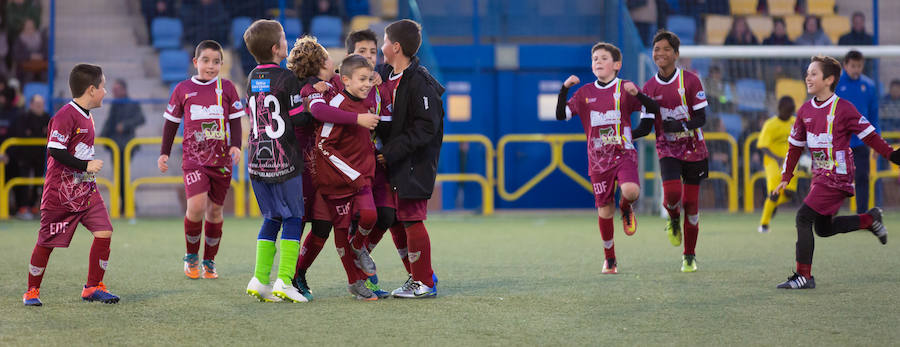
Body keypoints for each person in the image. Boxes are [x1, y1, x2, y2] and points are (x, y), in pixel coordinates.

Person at [773, 55, 900, 289]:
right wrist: (785, 177)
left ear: (829, 79)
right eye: (807, 73)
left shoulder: (844, 108)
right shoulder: (804, 111)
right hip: (820, 176)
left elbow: (869, 135)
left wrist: (891, 154)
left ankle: (804, 276)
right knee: (823, 228)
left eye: (813, 73)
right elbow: (794, 147)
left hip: (838, 176)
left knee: (803, 217)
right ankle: (870, 219)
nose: (807, 77)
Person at [286, 35, 380, 300]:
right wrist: (357, 119)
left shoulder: (336, 83)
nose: (332, 60)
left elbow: (358, 81)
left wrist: (374, 80)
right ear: (319, 63)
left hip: (328, 167)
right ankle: (292, 276)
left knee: (328, 226)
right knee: (310, 224)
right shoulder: (310, 89)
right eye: (327, 57)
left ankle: (349, 279)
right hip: (310, 167)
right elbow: (320, 113)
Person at [556, 42, 660, 274]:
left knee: (631, 191)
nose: (598, 62)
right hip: (597, 159)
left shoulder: (626, 88)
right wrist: (564, 88)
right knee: (604, 209)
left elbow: (652, 109)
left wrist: (639, 98)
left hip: (623, 153)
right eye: (594, 59)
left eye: (603, 58)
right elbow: (561, 115)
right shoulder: (584, 93)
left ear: (616, 65)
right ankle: (610, 258)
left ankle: (626, 207)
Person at [23, 63, 119, 306]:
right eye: (103, 87)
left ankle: (92, 287)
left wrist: (86, 173)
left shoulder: (88, 116)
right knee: (46, 242)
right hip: (60, 194)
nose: (105, 92)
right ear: (91, 90)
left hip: (86, 190)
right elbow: (55, 150)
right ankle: (32, 291)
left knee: (104, 231)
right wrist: (86, 166)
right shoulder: (66, 115)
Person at [158, 40, 244, 280]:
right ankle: (191, 256)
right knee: (196, 207)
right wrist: (164, 152)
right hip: (194, 160)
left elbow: (236, 120)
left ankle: (209, 261)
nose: (211, 66)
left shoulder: (227, 88)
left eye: (216, 62)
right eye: (206, 61)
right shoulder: (183, 89)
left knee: (215, 211)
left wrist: (236, 145)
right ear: (195, 62)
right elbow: (171, 123)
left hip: (221, 161)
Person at [241, 19, 313, 303]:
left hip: (257, 161)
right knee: (294, 216)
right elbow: (298, 119)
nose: (287, 42)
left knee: (272, 216)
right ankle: (284, 279)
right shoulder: (286, 79)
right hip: (284, 161)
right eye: (284, 39)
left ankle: (259, 279)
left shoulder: (250, 77)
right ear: (276, 48)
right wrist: (312, 104)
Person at [376, 19, 444, 298]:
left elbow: (426, 128)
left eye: (383, 40)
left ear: (395, 47)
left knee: (412, 218)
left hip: (413, 163)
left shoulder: (420, 81)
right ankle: (416, 277)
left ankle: (424, 282)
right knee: (396, 219)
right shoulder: (385, 75)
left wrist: (389, 152)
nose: (380, 46)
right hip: (395, 162)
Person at [309, 54, 382, 300]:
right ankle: (354, 282)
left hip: (362, 177)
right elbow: (323, 146)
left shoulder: (368, 98)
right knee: (339, 229)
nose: (366, 84)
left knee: (371, 215)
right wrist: (352, 173)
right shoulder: (337, 104)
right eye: (362, 79)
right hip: (338, 180)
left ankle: (358, 246)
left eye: (369, 79)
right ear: (345, 80)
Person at [640, 30, 709, 272]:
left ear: (676, 54)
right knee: (671, 196)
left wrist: (680, 125)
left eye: (666, 49)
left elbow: (701, 118)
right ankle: (672, 218)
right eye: (656, 49)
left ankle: (689, 256)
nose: (660, 53)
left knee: (691, 205)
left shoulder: (691, 81)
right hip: (667, 148)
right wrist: (625, 134)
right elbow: (646, 125)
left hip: (694, 149)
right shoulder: (648, 87)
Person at [340, 28, 400, 297]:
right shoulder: (337, 86)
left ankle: (359, 253)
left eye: (373, 52)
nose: (368, 56)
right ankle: (296, 277)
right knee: (327, 226)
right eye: (361, 51)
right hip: (347, 168)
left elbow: (387, 123)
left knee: (386, 215)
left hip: (376, 163)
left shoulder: (381, 88)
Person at [835, 50, 879, 214]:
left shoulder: (869, 86)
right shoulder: (835, 84)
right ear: (845, 65)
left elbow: (874, 117)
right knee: (836, 179)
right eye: (853, 66)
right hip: (839, 141)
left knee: (862, 178)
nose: (856, 69)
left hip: (861, 142)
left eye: (859, 66)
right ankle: (829, 214)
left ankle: (862, 215)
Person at [101, 79, 146, 212]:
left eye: (117, 90)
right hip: (115, 146)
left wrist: (125, 125)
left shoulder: (132, 104)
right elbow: (109, 123)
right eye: (113, 90)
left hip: (127, 145)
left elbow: (141, 119)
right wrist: (101, 137)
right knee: (119, 176)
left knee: (122, 176)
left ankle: (127, 205)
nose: (114, 92)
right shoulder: (115, 105)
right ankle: (127, 204)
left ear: (124, 90)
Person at [756, 96, 798, 233]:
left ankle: (771, 206)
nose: (789, 115)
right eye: (787, 112)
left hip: (790, 162)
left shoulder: (795, 122)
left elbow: (801, 140)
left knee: (790, 193)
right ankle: (764, 224)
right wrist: (777, 158)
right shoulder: (770, 124)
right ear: (779, 109)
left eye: (791, 112)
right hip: (773, 163)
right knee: (774, 193)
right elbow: (762, 146)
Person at [12, 94, 50, 219]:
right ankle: (22, 208)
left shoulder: (47, 118)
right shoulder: (24, 117)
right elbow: (22, 134)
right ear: (31, 105)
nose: (40, 107)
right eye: (37, 105)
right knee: (23, 181)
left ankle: (34, 207)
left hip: (40, 155)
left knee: (39, 182)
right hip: (24, 155)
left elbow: (49, 134)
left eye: (42, 105)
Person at [12, 18, 47, 84]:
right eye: (28, 27)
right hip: (25, 68)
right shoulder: (19, 39)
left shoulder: (41, 37)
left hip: (41, 66)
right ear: (23, 28)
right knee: (28, 75)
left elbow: (47, 52)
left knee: (45, 75)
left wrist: (40, 56)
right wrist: (30, 56)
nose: (30, 29)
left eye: (31, 27)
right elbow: (16, 55)